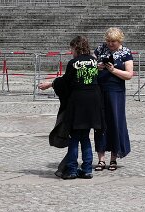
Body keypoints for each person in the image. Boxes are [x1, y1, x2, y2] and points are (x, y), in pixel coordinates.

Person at [38, 34, 102, 179]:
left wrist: (51, 84)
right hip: (93, 102)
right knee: (85, 137)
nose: (71, 52)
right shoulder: (94, 61)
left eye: (71, 49)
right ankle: (87, 169)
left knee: (74, 138)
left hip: (77, 103)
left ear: (76, 48)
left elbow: (65, 83)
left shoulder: (74, 62)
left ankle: (72, 169)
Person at [95, 27, 134, 171]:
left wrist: (113, 70)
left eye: (113, 42)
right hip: (100, 90)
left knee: (115, 123)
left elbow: (129, 74)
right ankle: (101, 159)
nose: (110, 44)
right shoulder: (100, 49)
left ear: (119, 41)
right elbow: (90, 65)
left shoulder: (126, 52)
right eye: (109, 41)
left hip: (116, 91)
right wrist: (97, 67)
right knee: (100, 123)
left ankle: (113, 157)